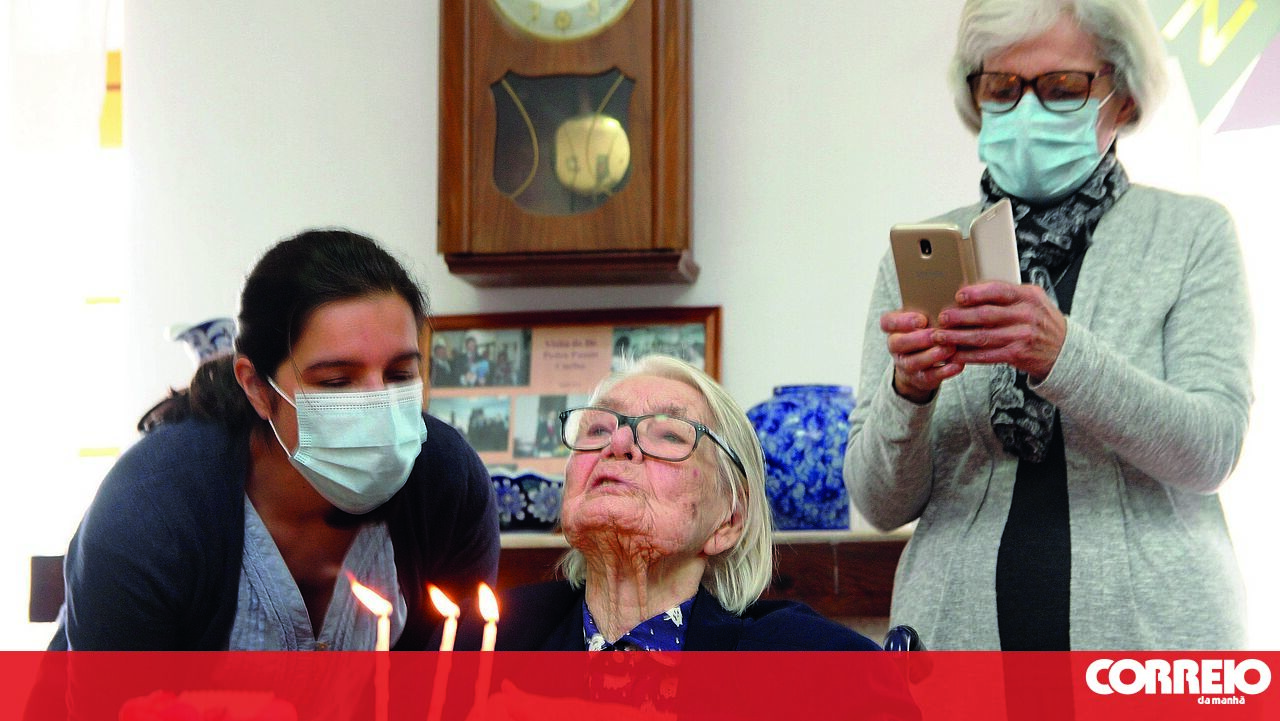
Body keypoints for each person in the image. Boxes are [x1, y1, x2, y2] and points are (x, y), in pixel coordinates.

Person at [845, 0, 1253, 650]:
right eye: (1002, 88)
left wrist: (1062, 356)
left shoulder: (1191, 235)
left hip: (1148, 645)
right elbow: (880, 503)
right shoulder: (925, 253)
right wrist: (909, 392)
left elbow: (1212, 449)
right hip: (958, 645)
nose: (1027, 110)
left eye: (1063, 88)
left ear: (1124, 96)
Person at [51, 229, 500, 650]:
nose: (378, 406)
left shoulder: (446, 481)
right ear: (256, 387)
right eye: (336, 382)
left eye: (400, 374)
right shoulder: (150, 509)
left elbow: (457, 676)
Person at [458, 355, 882, 652]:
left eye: (669, 435)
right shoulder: (482, 641)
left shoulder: (814, 667)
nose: (618, 443)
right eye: (598, 429)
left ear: (729, 521)